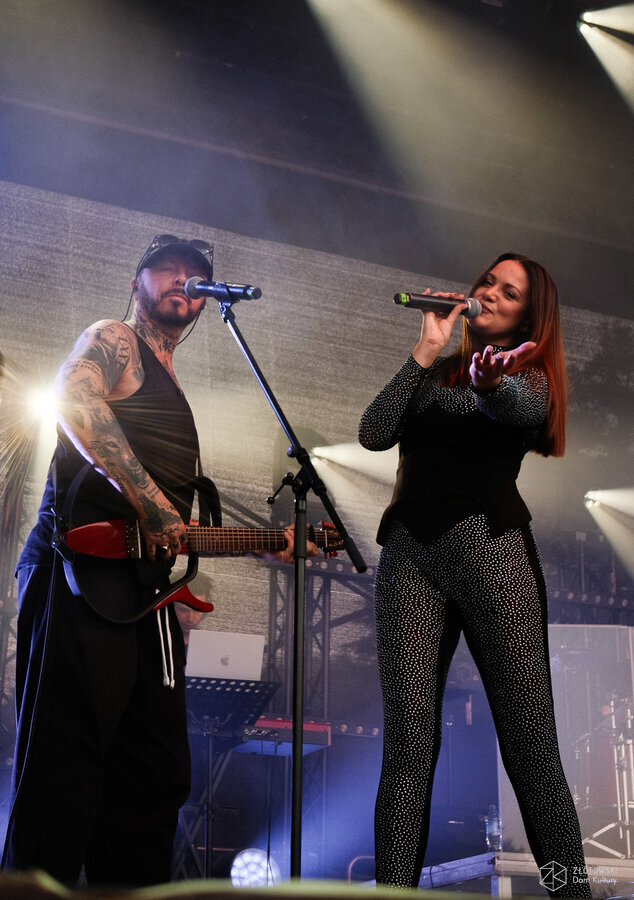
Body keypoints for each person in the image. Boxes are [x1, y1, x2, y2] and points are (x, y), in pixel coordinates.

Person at [1, 234, 308, 888]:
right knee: (64, 764)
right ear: (136, 281)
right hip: (80, 570)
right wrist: (151, 504)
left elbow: (168, 529)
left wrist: (261, 543)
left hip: (143, 594)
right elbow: (75, 401)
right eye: (166, 268)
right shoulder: (113, 338)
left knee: (155, 773)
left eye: (194, 274)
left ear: (206, 301)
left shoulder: (171, 384)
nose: (182, 280)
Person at [359, 253, 591, 896]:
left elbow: (516, 409)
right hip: (410, 557)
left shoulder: (528, 377)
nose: (489, 293)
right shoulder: (437, 369)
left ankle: (572, 893)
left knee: (530, 751)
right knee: (407, 749)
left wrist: (492, 383)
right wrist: (426, 347)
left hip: (493, 557)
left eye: (508, 292)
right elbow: (373, 433)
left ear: (528, 319)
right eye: (488, 281)